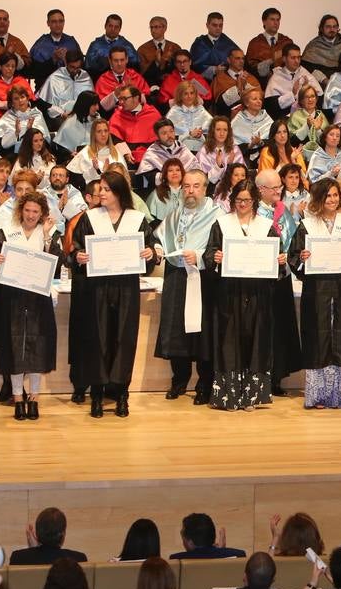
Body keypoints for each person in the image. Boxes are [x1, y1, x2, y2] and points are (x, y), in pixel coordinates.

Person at [72, 170, 160, 417]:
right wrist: (78, 257)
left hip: (126, 288)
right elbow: (75, 249)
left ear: (119, 192)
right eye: (100, 188)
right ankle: (97, 393)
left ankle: (122, 393)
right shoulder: (89, 218)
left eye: (106, 189)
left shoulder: (137, 219)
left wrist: (149, 254)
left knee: (124, 338)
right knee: (98, 339)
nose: (101, 193)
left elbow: (150, 250)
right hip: (97, 288)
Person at [203, 179, 283, 411]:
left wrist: (278, 260)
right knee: (230, 341)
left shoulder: (265, 225)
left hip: (258, 292)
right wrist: (214, 257)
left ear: (254, 201)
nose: (242, 204)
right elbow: (209, 253)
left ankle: (251, 396)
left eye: (247, 200)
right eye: (238, 200)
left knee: (255, 340)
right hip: (229, 292)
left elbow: (277, 255)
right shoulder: (221, 224)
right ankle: (229, 396)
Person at [290, 178, 341, 410]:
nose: (333, 200)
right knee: (318, 337)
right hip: (317, 291)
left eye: (336, 195)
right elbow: (294, 256)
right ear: (319, 198)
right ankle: (316, 396)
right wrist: (302, 259)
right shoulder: (307, 225)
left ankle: (338, 395)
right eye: (328, 196)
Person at [0, 191, 61, 420]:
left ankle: (35, 398)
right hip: (12, 299)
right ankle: (18, 398)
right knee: (14, 349)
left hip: (39, 299)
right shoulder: (5, 233)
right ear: (20, 211)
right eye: (27, 210)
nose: (30, 215)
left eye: (35, 212)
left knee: (38, 348)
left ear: (42, 214)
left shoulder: (48, 235)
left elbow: (57, 268)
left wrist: (47, 236)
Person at [156, 168, 222, 404]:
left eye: (196, 186)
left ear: (205, 189)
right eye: (186, 186)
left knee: (202, 332)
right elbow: (160, 240)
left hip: (204, 279)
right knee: (177, 330)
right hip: (176, 277)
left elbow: (221, 247)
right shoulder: (173, 216)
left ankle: (204, 384)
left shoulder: (217, 215)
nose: (190, 191)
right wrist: (156, 249)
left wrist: (201, 255)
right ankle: (179, 381)